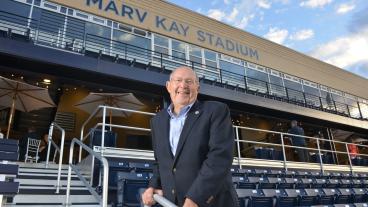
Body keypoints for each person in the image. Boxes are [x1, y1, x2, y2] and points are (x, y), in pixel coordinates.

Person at [142, 66, 238, 207]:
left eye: (189, 81)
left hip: (212, 202)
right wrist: (153, 186)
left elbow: (220, 157)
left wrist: (196, 198)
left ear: (197, 88)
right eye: (178, 80)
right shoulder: (157, 120)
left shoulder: (216, 110)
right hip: (173, 202)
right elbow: (160, 162)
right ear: (168, 86)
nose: (183, 85)